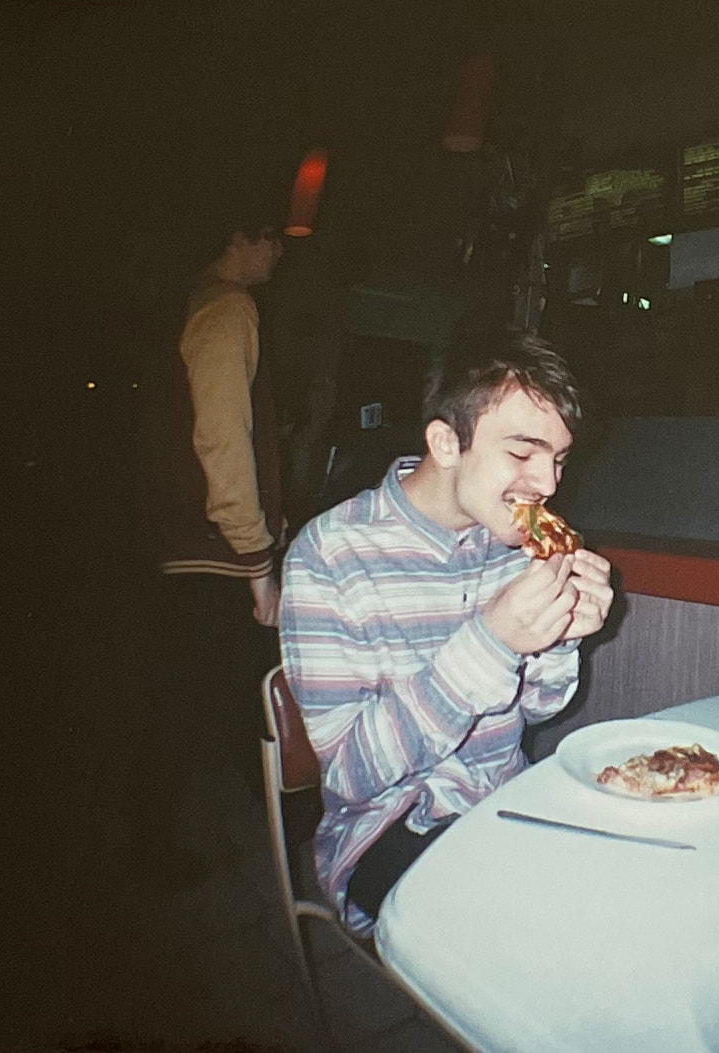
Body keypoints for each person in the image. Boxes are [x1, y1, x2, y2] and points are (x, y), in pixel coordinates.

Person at [278, 333, 614, 936]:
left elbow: (537, 708)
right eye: (524, 453)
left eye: (559, 459)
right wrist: (490, 644)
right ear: (444, 442)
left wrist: (562, 636)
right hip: (383, 829)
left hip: (502, 802)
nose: (549, 484)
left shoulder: (515, 541)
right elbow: (351, 777)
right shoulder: (330, 555)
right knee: (550, 933)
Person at [133, 204, 286, 883]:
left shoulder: (191, 303)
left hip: (182, 542)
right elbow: (223, 437)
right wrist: (256, 558)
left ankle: (263, 809)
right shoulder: (228, 310)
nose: (279, 250)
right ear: (236, 239)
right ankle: (154, 849)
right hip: (215, 549)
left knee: (211, 691)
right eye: (270, 236)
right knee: (222, 690)